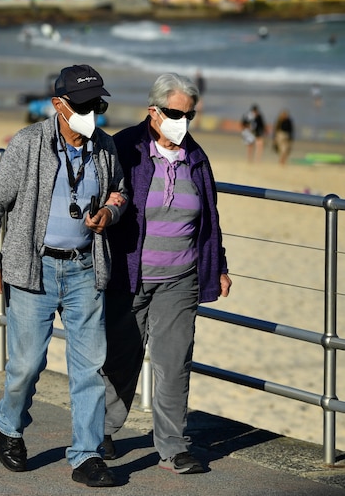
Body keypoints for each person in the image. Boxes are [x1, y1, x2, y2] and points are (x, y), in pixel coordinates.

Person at [0, 64, 127, 488]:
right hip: (32, 268)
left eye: (97, 104)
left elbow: (121, 192)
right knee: (26, 365)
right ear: (58, 105)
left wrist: (110, 211)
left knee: (90, 368)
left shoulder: (105, 147)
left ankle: (86, 456)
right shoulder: (27, 143)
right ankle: (9, 424)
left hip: (85, 268)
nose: (92, 113)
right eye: (83, 105)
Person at [100, 72, 231, 474]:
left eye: (188, 114)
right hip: (129, 276)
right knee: (122, 360)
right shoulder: (126, 146)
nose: (183, 121)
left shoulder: (196, 156)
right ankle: (101, 431)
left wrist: (219, 265)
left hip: (181, 278)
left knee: (174, 364)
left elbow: (209, 217)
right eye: (176, 113)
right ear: (153, 112)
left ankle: (173, 447)